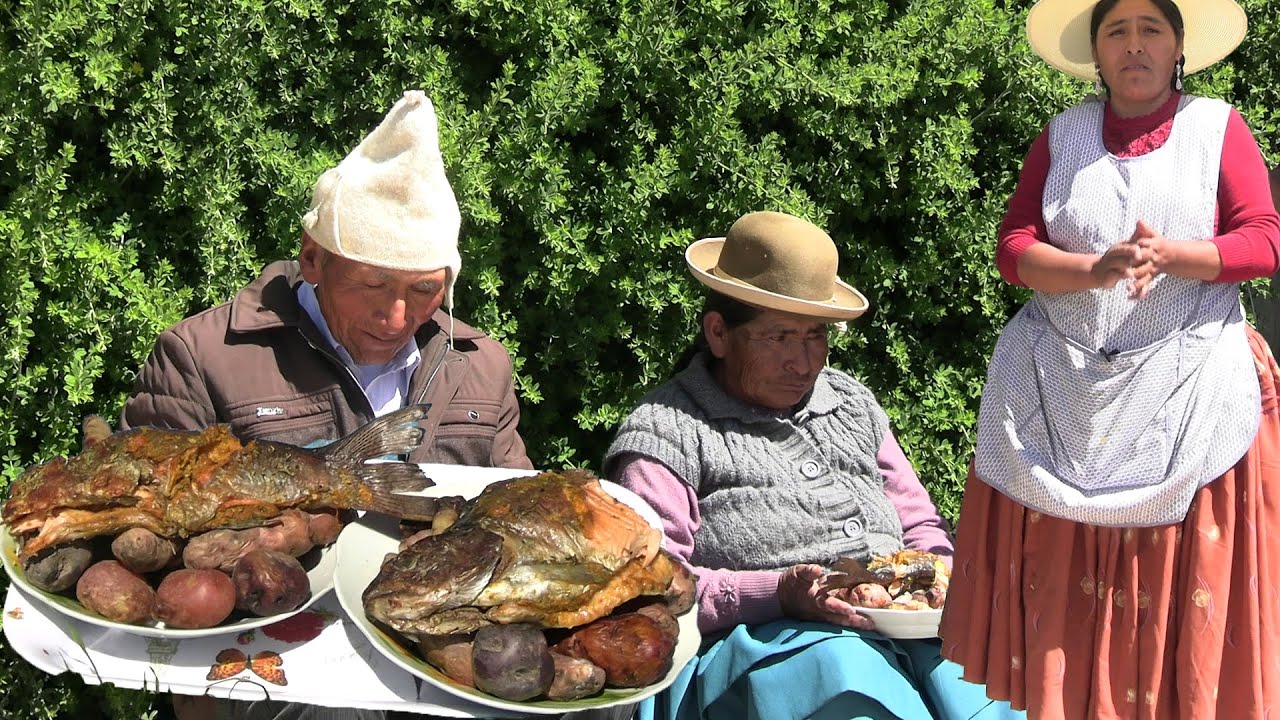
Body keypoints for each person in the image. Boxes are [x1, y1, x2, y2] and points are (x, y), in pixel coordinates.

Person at [121, 92, 624, 720]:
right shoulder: (203, 355)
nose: (396, 317)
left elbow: (515, 510)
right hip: (278, 665)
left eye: (423, 290)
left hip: (442, 646)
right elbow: (143, 543)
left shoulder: (482, 366)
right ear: (313, 260)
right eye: (371, 285)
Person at [938, 0, 1280, 717]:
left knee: (1172, 595)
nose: (1134, 46)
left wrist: (1172, 255)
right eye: (1116, 32)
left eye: (1150, 29)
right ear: (1096, 52)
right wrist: (1095, 269)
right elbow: (1013, 248)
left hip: (1192, 392)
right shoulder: (1061, 137)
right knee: (1070, 603)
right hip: (1068, 396)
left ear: (1179, 45)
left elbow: (1263, 240)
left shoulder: (1218, 128)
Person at [603, 211, 1024, 720]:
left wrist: (941, 579)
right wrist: (779, 593)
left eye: (816, 336)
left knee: (988, 681)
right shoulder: (667, 432)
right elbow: (655, 586)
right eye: (780, 337)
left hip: (905, 627)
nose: (803, 362)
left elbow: (919, 524)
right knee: (846, 685)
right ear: (718, 332)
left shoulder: (850, 402)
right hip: (770, 648)